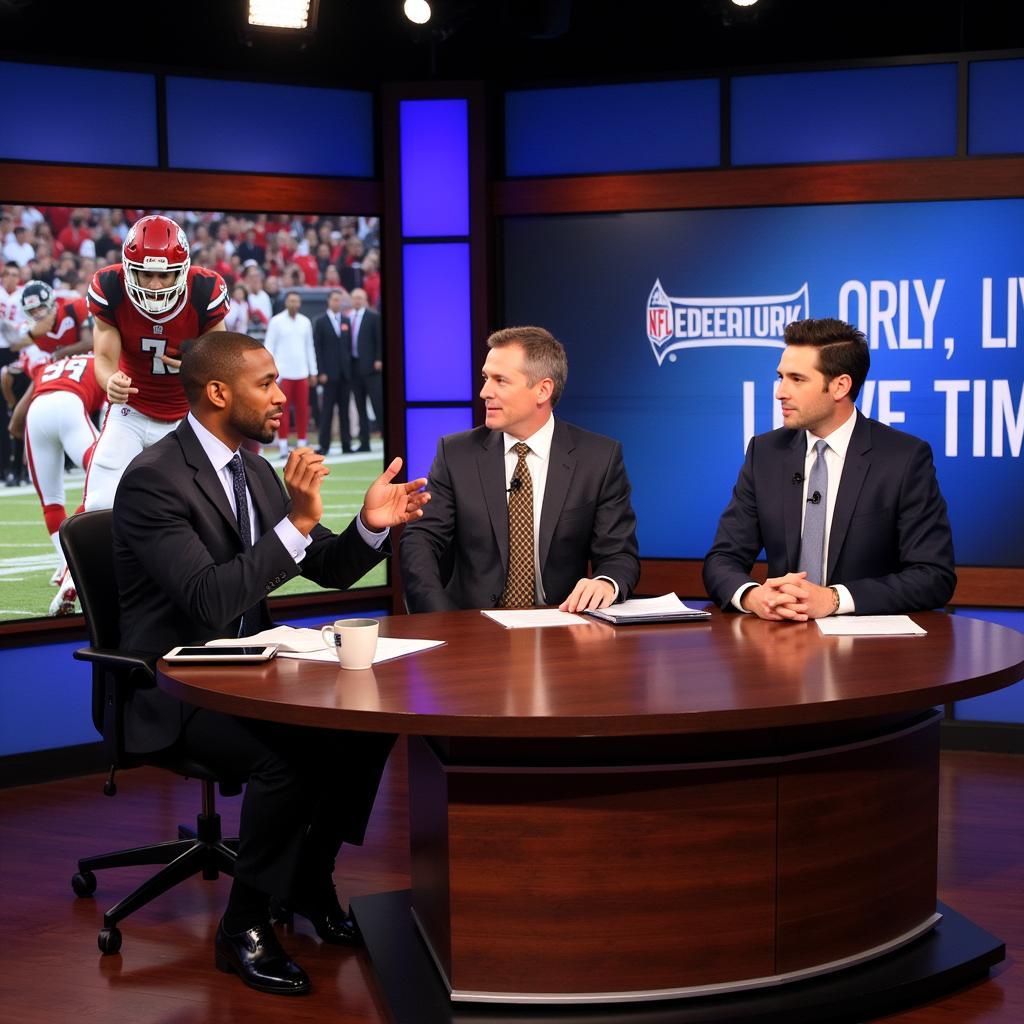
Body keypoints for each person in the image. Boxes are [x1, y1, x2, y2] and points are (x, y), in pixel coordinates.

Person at [111, 330, 429, 996]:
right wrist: (298, 523)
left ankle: (310, 884)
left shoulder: (253, 469)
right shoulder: (152, 481)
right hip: (173, 685)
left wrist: (371, 525)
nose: (282, 396)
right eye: (267, 383)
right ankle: (245, 924)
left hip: (250, 671)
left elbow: (331, 569)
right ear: (219, 392)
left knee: (366, 722)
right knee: (285, 756)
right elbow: (208, 599)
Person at [703, 317, 956, 620]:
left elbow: (933, 576)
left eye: (797, 379)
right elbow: (722, 559)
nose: (780, 392)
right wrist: (753, 596)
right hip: (780, 647)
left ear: (839, 386)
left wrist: (834, 599)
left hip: (869, 654)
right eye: (781, 377)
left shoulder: (904, 458)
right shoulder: (765, 453)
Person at [400, 325, 640, 613]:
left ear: (542, 390)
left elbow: (619, 555)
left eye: (500, 380)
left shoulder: (598, 458)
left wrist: (604, 583)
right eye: (485, 378)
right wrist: (438, 618)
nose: (484, 392)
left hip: (561, 626)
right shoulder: (455, 454)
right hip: (473, 629)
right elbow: (421, 541)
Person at [8, 349, 105, 609]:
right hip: (71, 407)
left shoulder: (49, 366)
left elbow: (15, 424)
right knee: (106, 481)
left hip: (36, 413)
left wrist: (25, 437)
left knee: (51, 502)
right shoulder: (104, 360)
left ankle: (66, 564)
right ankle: (73, 571)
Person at [264, 291, 316, 457]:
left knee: (302, 409)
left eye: (296, 301)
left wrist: (312, 371)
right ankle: (283, 444)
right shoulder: (276, 322)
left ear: (299, 304)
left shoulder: (305, 322)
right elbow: (269, 347)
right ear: (286, 303)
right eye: (291, 301)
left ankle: (301, 442)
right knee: (282, 410)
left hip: (301, 372)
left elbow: (309, 347)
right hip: (283, 373)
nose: (294, 304)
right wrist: (270, 372)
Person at [312, 289, 355, 455]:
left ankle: (346, 444)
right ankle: (324, 445)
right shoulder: (321, 322)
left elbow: (348, 347)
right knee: (327, 412)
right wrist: (321, 371)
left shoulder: (346, 321)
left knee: (345, 412)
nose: (337, 303)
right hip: (328, 374)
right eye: (335, 300)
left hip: (345, 374)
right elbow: (318, 348)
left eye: (339, 300)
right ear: (329, 301)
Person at [19, 279, 94, 360]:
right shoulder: (31, 330)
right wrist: (31, 335)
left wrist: (59, 353)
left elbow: (90, 343)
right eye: (32, 311)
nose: (37, 314)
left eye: (40, 308)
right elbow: (16, 347)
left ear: (52, 304)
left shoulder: (74, 306)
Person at [347, 287, 382, 451]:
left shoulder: (373, 316)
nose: (357, 301)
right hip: (354, 367)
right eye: (354, 298)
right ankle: (364, 442)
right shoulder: (348, 318)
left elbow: (379, 339)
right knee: (360, 407)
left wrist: (378, 358)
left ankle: (384, 435)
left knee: (378, 404)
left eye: (360, 298)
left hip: (371, 368)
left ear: (365, 300)